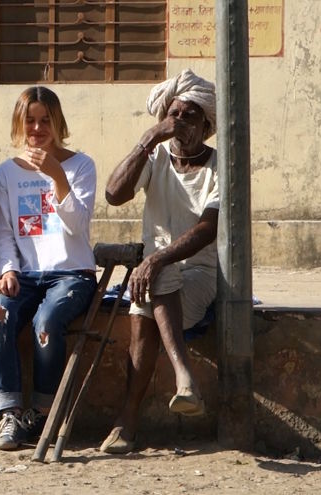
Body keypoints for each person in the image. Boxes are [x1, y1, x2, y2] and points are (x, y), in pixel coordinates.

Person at [101, 69, 219, 453]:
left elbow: (207, 229)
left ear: (206, 123)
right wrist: (145, 142)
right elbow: (114, 195)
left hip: (198, 274)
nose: (181, 123)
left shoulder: (220, 167)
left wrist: (156, 260)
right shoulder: (156, 157)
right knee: (143, 316)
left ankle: (127, 421)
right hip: (153, 280)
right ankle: (183, 380)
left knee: (150, 292)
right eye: (175, 115)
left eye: (190, 115)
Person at [0, 87, 98, 450]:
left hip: (71, 273)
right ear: (20, 124)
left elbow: (77, 227)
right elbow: (3, 229)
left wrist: (57, 178)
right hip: (26, 274)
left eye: (45, 120)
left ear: (58, 122)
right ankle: (11, 413)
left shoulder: (81, 166)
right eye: (30, 121)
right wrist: (6, 269)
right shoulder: (6, 172)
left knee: (46, 322)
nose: (37, 129)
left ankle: (43, 413)